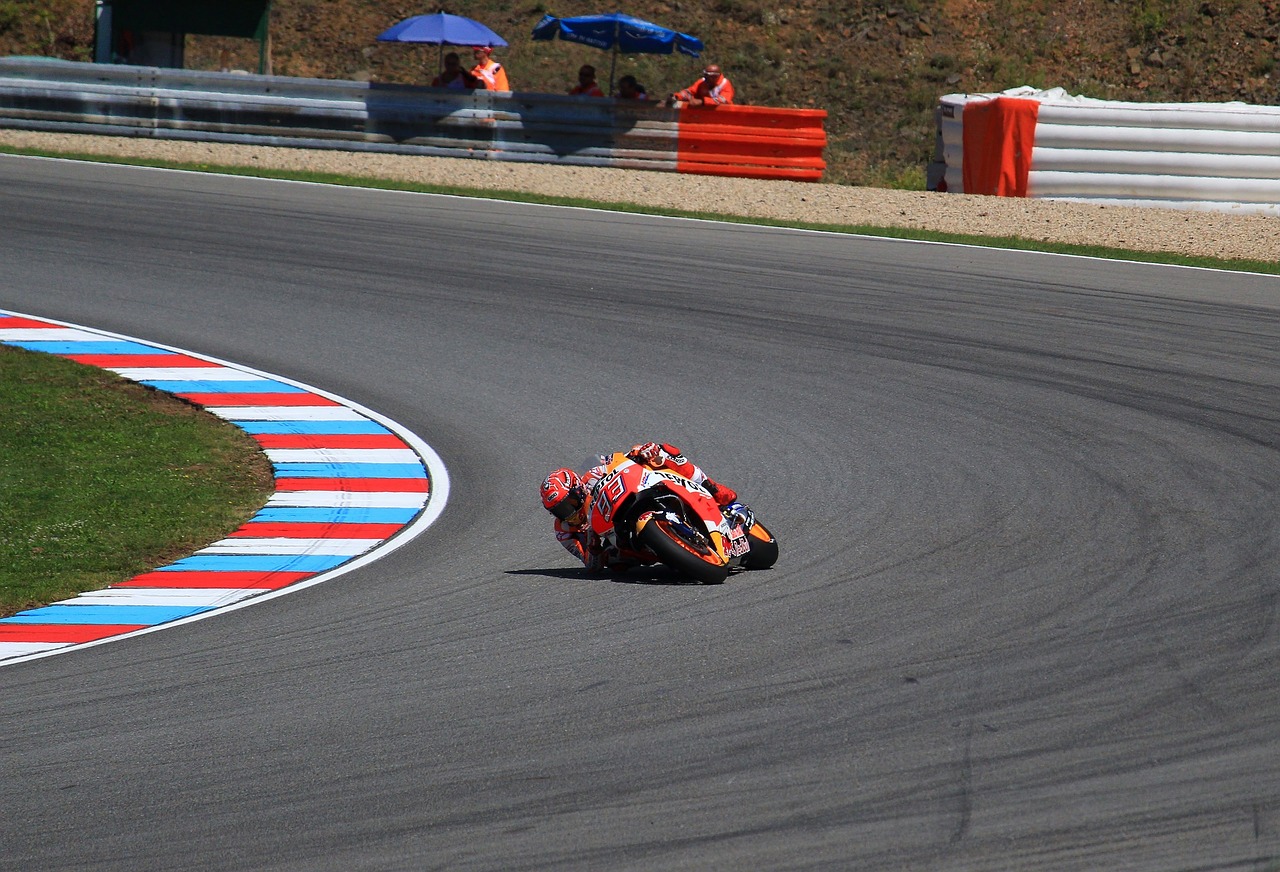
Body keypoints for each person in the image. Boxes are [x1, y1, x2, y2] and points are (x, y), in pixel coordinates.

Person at [540, 441, 739, 571]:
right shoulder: (564, 530)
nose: (567, 513)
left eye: (568, 505)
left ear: (578, 490)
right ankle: (669, 549)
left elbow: (619, 460)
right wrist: (593, 546)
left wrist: (639, 451)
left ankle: (712, 489)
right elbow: (592, 566)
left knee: (661, 453)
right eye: (559, 510)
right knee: (616, 562)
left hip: (631, 497)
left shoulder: (592, 476)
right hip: (620, 541)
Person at [669, 64, 734, 107]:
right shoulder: (702, 82)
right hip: (703, 114)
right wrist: (676, 97)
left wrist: (702, 101)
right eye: (705, 76)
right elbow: (690, 92)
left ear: (715, 77)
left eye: (708, 76)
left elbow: (723, 100)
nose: (705, 78)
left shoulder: (725, 84)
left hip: (722, 114)